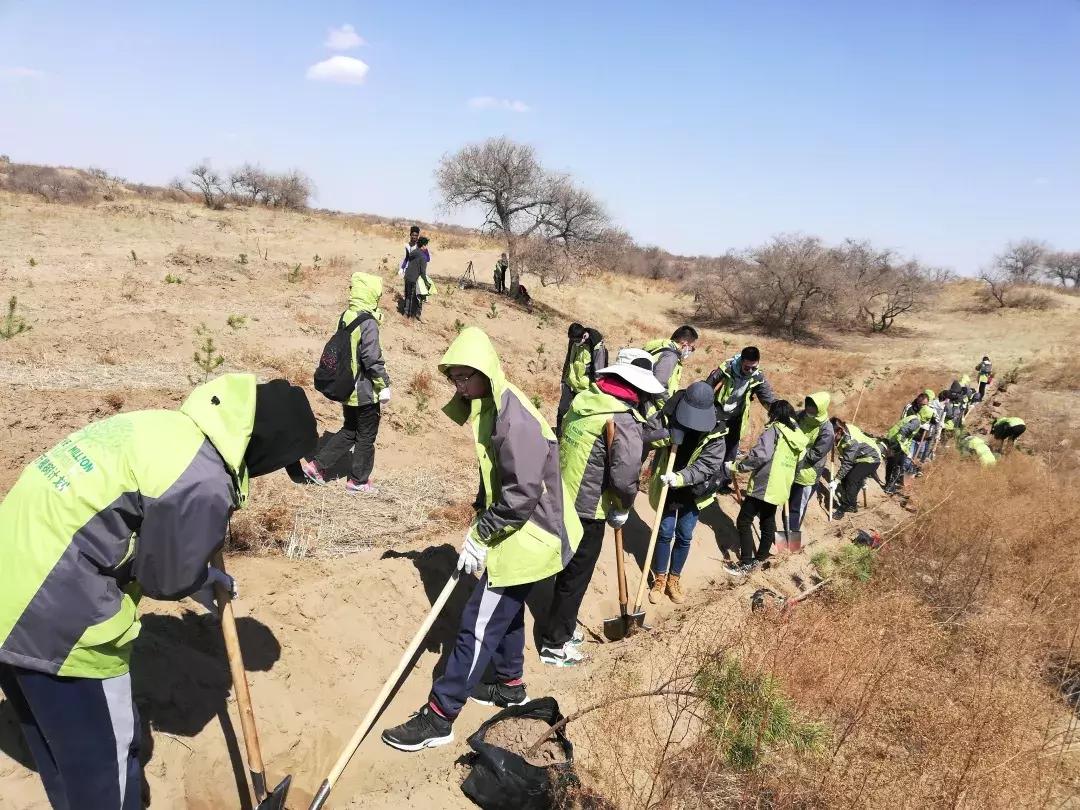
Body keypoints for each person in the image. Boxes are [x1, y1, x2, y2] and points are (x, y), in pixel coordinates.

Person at [0, 374, 317, 810]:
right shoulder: (203, 480)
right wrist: (200, 579)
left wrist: (200, 574)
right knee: (106, 767)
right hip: (58, 616)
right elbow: (165, 579)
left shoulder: (165, 428)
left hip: (10, 579)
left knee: (58, 750)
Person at [381, 327, 582, 752]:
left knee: (478, 623)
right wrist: (480, 517)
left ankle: (439, 717)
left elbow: (523, 492)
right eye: (452, 379)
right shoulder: (491, 405)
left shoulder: (514, 417)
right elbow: (497, 477)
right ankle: (510, 687)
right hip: (523, 527)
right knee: (506, 613)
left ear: (483, 373)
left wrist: (483, 534)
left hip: (533, 534)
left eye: (462, 378)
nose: (458, 386)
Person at [539, 351, 663, 665]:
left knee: (565, 570)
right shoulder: (620, 418)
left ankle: (562, 627)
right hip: (588, 508)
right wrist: (623, 505)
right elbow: (624, 476)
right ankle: (555, 645)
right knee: (575, 576)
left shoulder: (587, 400)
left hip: (559, 493)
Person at [301, 272, 391, 494]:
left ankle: (316, 466)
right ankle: (358, 481)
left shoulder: (347, 315)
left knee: (350, 429)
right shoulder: (368, 322)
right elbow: (371, 358)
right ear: (371, 295)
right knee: (366, 436)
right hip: (365, 391)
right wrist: (384, 385)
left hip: (348, 389)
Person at [646, 382, 727, 604]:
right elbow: (648, 435)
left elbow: (708, 465)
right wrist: (669, 435)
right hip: (667, 485)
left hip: (693, 491)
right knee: (664, 532)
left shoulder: (718, 431)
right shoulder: (669, 412)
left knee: (684, 535)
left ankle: (674, 578)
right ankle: (660, 578)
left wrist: (681, 478)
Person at [725, 400, 808, 576]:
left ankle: (747, 562)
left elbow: (761, 455)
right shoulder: (799, 436)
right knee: (767, 520)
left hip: (765, 484)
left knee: (744, 521)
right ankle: (761, 558)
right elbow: (799, 464)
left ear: (775, 414)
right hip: (781, 486)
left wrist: (738, 466)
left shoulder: (775, 430)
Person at [704, 346, 777, 492]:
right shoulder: (727, 368)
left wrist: (779, 412)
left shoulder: (757, 376)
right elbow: (708, 386)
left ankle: (722, 482)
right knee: (712, 447)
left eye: (753, 367)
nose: (750, 371)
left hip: (737, 417)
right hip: (718, 414)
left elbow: (767, 399)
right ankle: (706, 478)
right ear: (741, 362)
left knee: (731, 450)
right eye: (747, 367)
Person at [787, 392, 834, 533]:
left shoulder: (827, 430)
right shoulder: (801, 416)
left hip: (807, 473)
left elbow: (815, 455)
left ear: (820, 408)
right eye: (808, 405)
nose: (808, 409)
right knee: (788, 505)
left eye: (812, 408)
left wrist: (797, 458)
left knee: (797, 508)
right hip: (790, 467)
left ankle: (792, 541)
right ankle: (786, 530)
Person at [556, 324, 606, 435]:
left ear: (584, 336)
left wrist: (597, 392)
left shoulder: (596, 346)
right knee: (562, 409)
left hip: (585, 388)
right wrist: (563, 380)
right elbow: (568, 360)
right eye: (572, 340)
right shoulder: (573, 340)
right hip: (570, 383)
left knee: (580, 415)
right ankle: (559, 435)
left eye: (576, 340)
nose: (574, 342)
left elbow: (599, 371)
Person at [830, 417, 882, 517]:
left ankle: (850, 506)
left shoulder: (851, 441)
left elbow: (847, 463)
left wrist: (836, 481)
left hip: (871, 458)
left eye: (832, 434)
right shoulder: (845, 430)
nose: (830, 437)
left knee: (851, 478)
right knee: (847, 479)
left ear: (839, 431)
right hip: (860, 457)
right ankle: (849, 500)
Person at [883, 405, 933, 493]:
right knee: (899, 466)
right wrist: (901, 444)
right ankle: (890, 487)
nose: (927, 420)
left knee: (891, 463)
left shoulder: (913, 417)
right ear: (925, 415)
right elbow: (904, 430)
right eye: (928, 417)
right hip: (899, 444)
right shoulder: (916, 422)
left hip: (893, 440)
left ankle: (888, 483)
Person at [644, 325, 699, 401]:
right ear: (684, 344)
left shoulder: (662, 347)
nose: (691, 351)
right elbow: (658, 385)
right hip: (649, 404)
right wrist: (667, 405)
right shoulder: (671, 356)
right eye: (692, 348)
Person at [403, 236, 430, 320]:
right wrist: (426, 282)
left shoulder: (413, 252)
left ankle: (405, 313)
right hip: (415, 278)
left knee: (407, 295)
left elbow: (408, 259)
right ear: (424, 245)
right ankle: (411, 316)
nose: (426, 247)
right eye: (426, 245)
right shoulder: (423, 257)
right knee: (415, 298)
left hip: (407, 276)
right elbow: (423, 273)